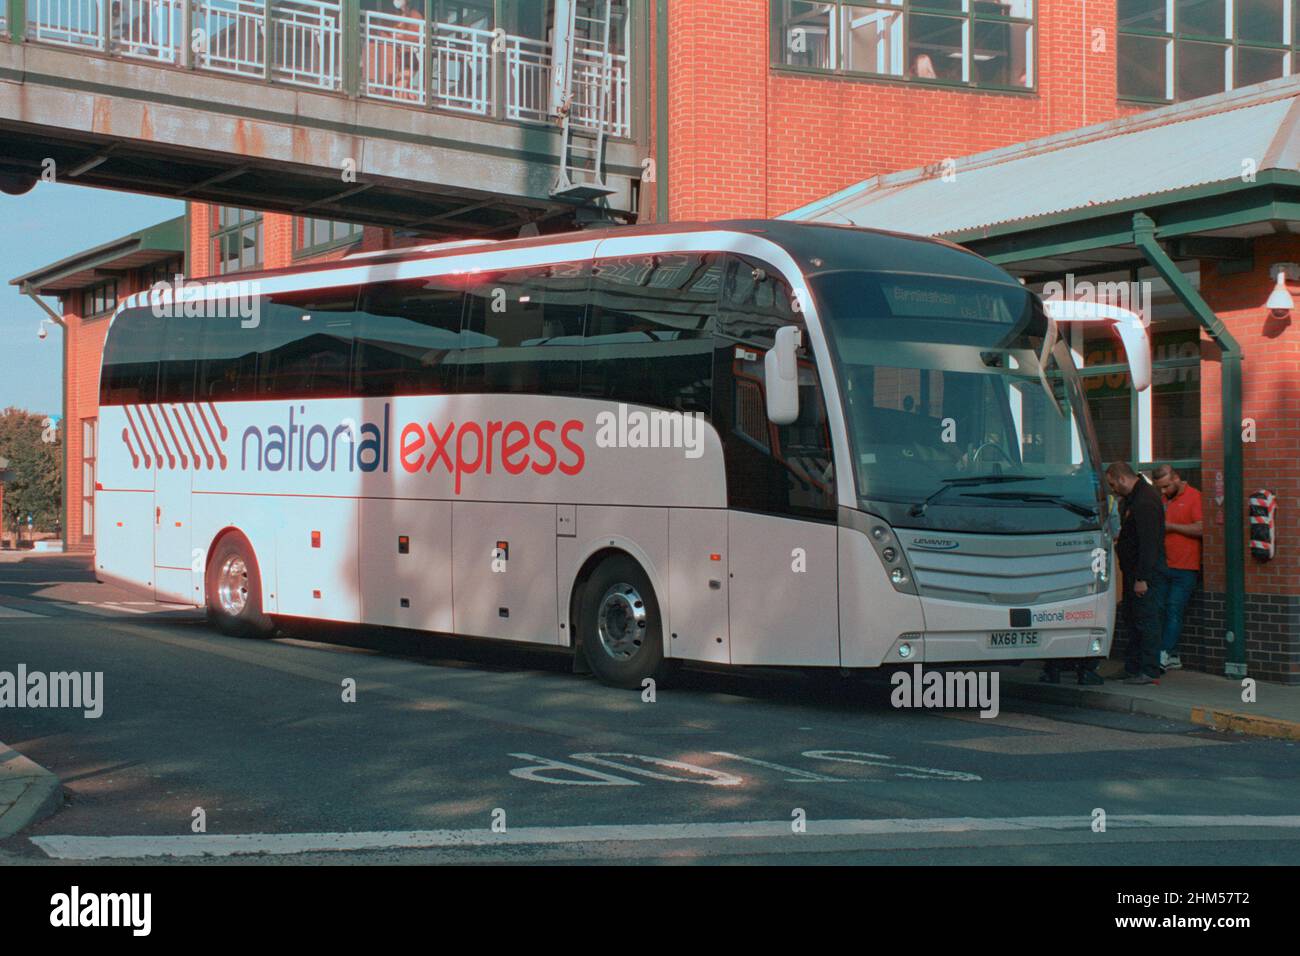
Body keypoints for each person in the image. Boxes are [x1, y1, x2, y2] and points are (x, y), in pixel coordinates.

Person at [1106, 461, 1167, 684]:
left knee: (1146, 620)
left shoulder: (1145, 501)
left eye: (1113, 483)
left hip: (1144, 574)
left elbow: (1149, 543)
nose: (1112, 489)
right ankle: (1132, 667)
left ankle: (1149, 670)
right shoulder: (1133, 499)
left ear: (1122, 478)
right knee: (1132, 618)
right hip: (1134, 571)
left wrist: (1142, 578)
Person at [1151, 465, 1202, 670]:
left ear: (1176, 478)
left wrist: (1172, 527)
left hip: (1185, 566)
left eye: (1165, 486)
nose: (1163, 492)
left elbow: (1202, 527)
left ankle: (1164, 653)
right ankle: (1170, 654)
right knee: (1161, 609)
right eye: (1159, 488)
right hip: (1164, 564)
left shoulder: (1195, 497)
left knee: (1173, 609)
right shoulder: (1163, 500)